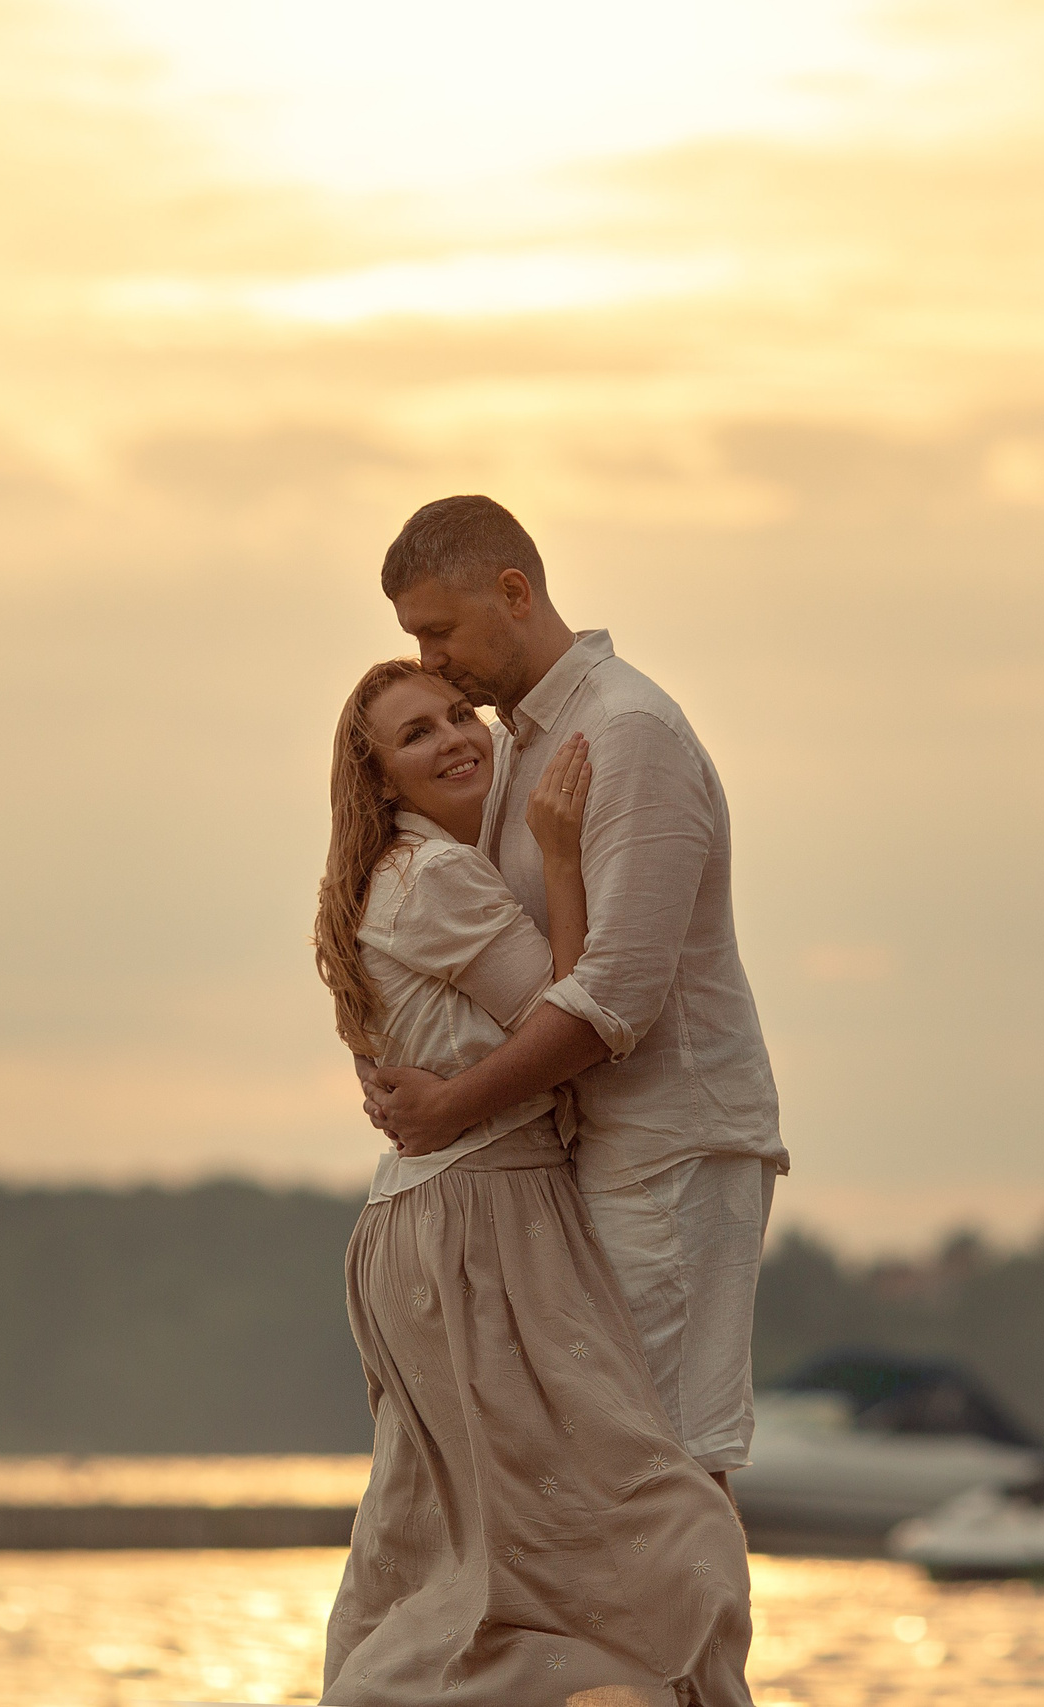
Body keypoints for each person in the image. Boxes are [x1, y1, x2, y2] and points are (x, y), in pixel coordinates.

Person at [313, 658, 753, 1707]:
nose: (457, 736)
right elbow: (568, 1016)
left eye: (458, 713)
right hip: (483, 1215)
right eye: (416, 735)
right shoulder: (436, 882)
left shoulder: (395, 881)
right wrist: (560, 854)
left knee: (455, 1540)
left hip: (429, 1214)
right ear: (378, 782)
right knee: (658, 1522)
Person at [361, 496, 788, 1495]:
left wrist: (449, 1107)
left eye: (438, 631)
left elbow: (616, 998)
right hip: (594, 1155)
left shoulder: (626, 733)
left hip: (673, 1147)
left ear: (514, 593)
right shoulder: (517, 742)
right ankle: (650, 1659)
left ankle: (703, 1661)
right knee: (603, 1476)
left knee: (670, 1464)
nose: (430, 661)